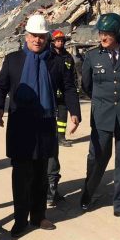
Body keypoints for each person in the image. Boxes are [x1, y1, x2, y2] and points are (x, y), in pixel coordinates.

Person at [0, 15, 81, 238]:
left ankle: (38, 215)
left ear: (47, 38)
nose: (37, 40)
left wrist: (74, 112)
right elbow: (0, 86)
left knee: (41, 173)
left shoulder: (56, 61)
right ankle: (20, 219)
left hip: (44, 124)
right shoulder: (13, 60)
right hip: (21, 125)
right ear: (26, 36)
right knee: (21, 175)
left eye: (41, 36)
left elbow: (69, 87)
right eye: (33, 36)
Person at [80, 13, 120, 222]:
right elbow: (87, 86)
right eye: (101, 33)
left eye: (107, 33)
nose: (102, 37)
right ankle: (87, 194)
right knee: (97, 158)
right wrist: (102, 102)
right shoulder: (92, 56)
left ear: (118, 33)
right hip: (102, 116)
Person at [46, 29, 75, 207]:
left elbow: (71, 80)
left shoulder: (67, 58)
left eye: (62, 40)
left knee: (53, 151)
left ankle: (52, 190)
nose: (60, 43)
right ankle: (45, 190)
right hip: (45, 106)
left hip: (62, 99)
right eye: (57, 40)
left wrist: (75, 109)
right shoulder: (46, 57)